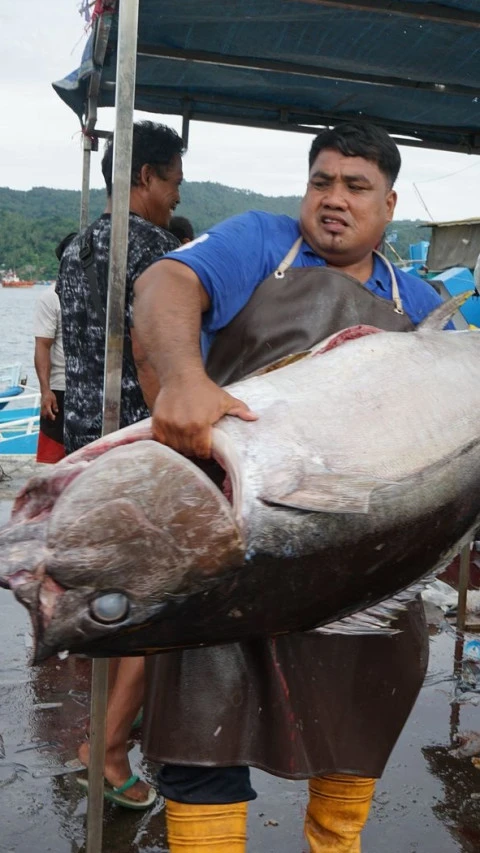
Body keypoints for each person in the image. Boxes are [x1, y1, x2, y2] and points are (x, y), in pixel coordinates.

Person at [132, 122, 452, 851]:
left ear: (390, 203)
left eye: (356, 186)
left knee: (357, 717)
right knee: (199, 729)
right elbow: (163, 283)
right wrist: (184, 376)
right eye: (322, 181)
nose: (333, 199)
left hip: (360, 555)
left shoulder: (422, 302)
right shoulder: (260, 243)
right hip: (232, 537)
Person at [55, 119, 185, 808]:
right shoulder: (155, 248)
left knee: (112, 605)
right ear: (145, 178)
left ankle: (101, 739)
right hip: (140, 449)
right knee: (153, 610)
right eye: (170, 183)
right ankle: (105, 752)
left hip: (86, 446)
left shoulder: (78, 247)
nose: (171, 197)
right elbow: (150, 352)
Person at [33, 284, 66, 463]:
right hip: (60, 388)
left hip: (94, 387)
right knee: (53, 461)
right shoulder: (51, 297)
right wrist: (45, 390)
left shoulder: (103, 292)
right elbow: (42, 345)